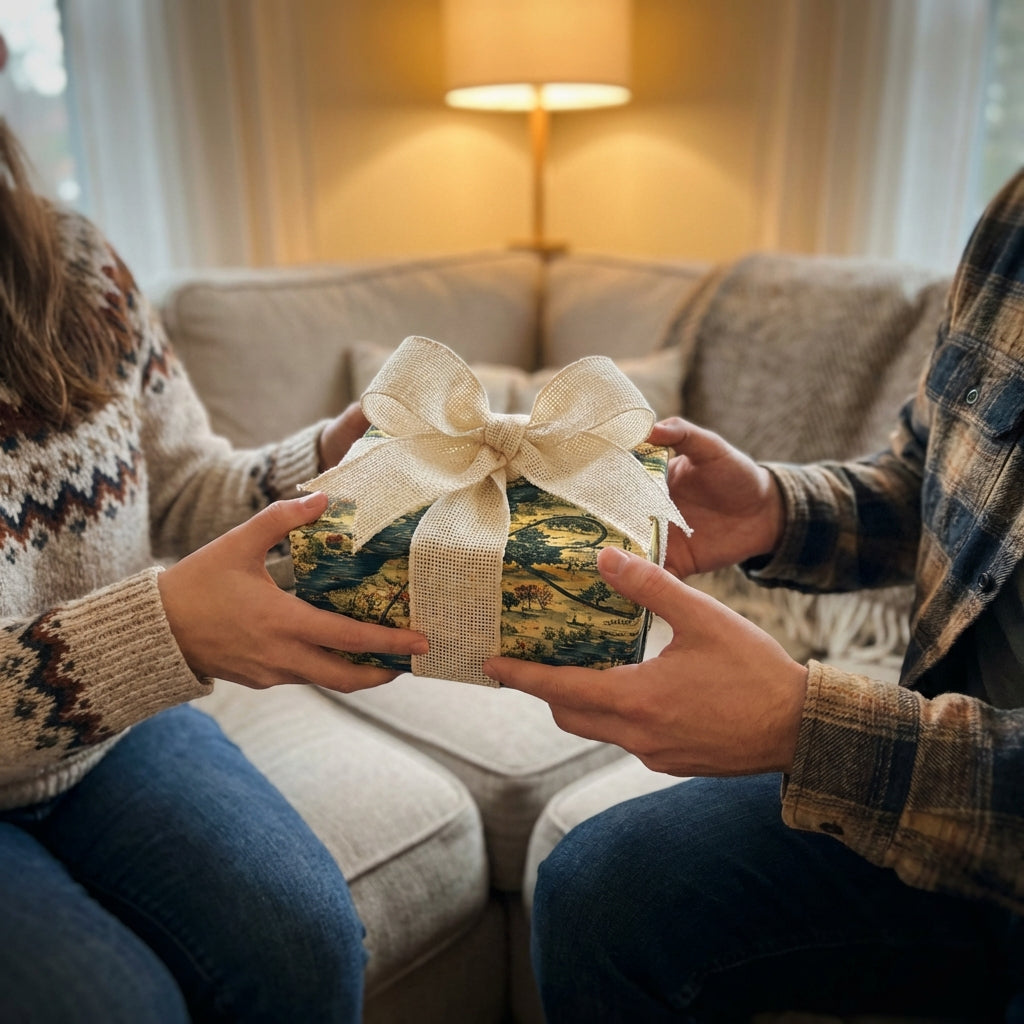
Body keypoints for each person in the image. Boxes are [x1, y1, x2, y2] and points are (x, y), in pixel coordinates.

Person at [484, 167, 1024, 1021]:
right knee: (600, 892)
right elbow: (934, 482)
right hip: (937, 796)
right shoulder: (1015, 220)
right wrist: (775, 509)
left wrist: (805, 724)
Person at [0, 103, 427, 1023]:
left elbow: (183, 482)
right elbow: (163, 620)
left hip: (111, 735)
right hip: (110, 693)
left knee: (304, 944)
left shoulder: (72, 261)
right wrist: (165, 630)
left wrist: (321, 465)